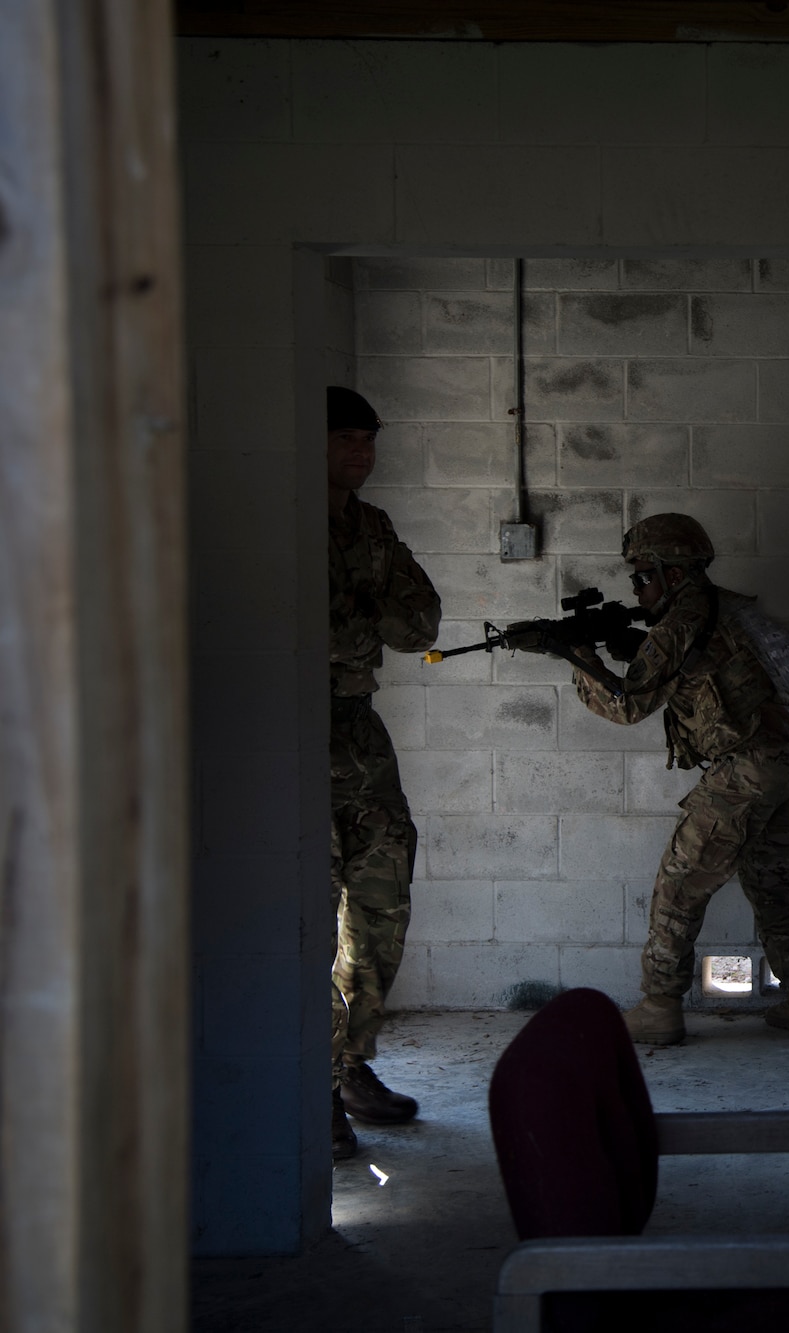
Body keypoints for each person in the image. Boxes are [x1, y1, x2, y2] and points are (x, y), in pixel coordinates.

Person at [563, 513, 789, 1046]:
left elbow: (627, 706)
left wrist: (577, 656)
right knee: (769, 881)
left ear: (674, 575)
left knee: (680, 881)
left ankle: (659, 1006)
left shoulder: (681, 623)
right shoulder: (729, 608)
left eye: (643, 576)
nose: (638, 588)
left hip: (748, 765)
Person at [327, 385, 440, 1157]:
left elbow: (421, 622)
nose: (362, 454)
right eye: (346, 440)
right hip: (282, 728)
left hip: (356, 729)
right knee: (300, 916)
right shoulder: (275, 517)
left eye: (369, 440)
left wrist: (358, 611)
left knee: (382, 900)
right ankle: (310, 1085)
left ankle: (351, 1062)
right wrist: (367, 611)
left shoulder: (370, 527)